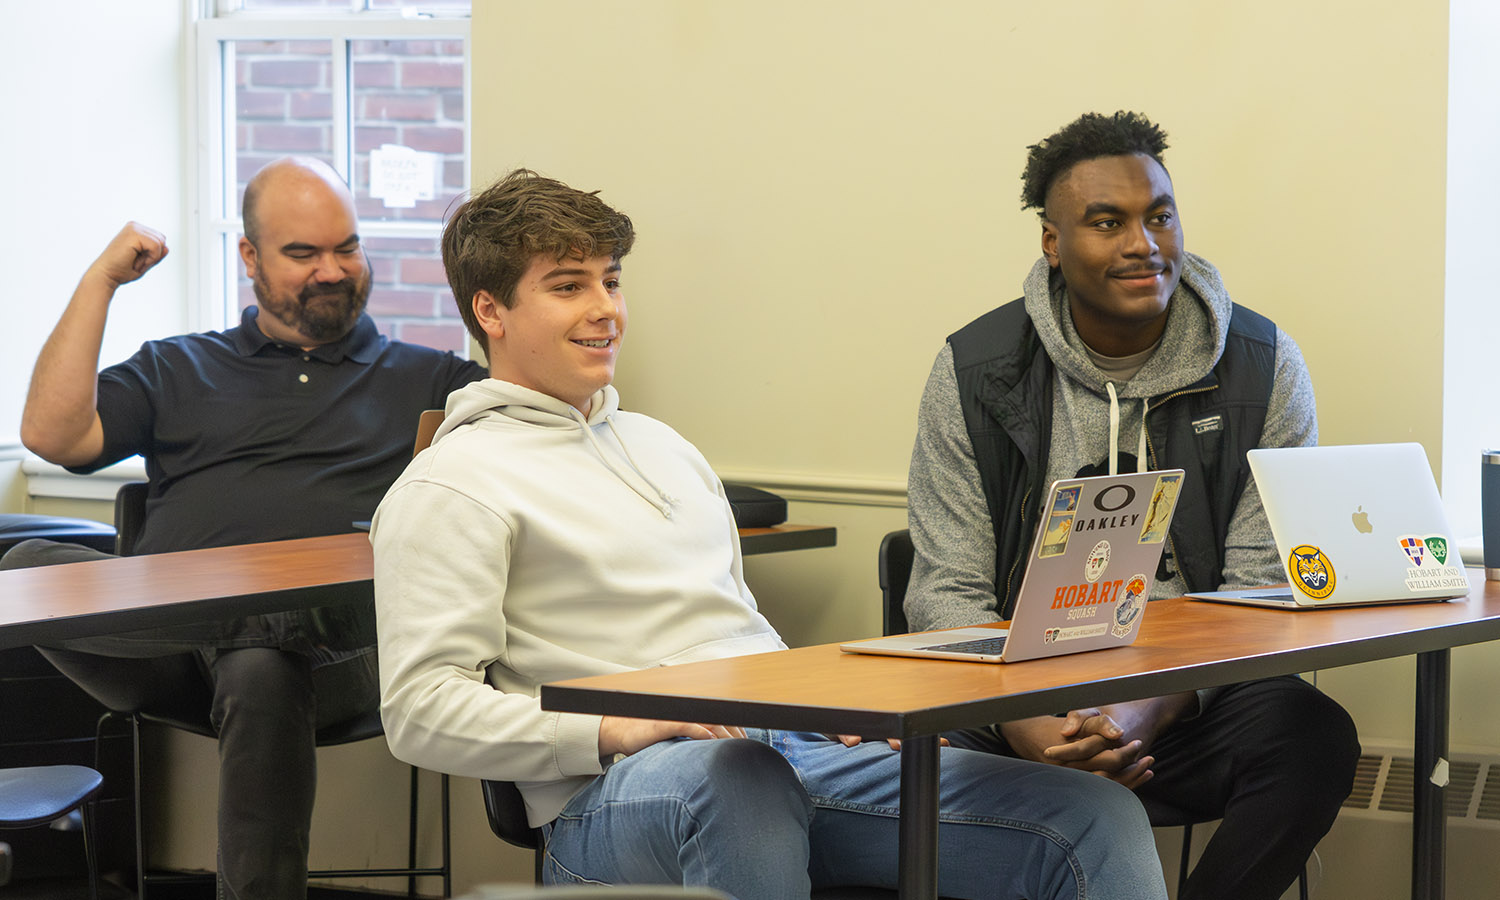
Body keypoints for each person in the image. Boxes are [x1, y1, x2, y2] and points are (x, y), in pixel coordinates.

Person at [371, 168, 1170, 900]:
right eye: (568, 286)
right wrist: (621, 726)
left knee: (1091, 813)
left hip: (786, 757)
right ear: (490, 311)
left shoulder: (664, 448)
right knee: (736, 776)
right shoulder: (453, 484)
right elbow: (419, 711)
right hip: (612, 799)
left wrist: (821, 704)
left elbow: (733, 629)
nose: (605, 308)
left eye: (611, 281)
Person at [904, 111, 1361, 900]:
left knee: (1309, 736)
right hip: (1013, 698)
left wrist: (1149, 708)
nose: (1142, 244)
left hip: (1184, 702)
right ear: (1052, 243)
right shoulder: (974, 370)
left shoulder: (1263, 366)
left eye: (1159, 216)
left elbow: (1255, 591)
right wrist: (1029, 717)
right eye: (1106, 223)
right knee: (896, 754)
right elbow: (946, 587)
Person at [2, 156, 485, 899]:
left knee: (263, 656)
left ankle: (250, 623)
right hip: (167, 654)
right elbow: (52, 434)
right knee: (26, 563)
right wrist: (101, 279)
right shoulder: (177, 367)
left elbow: (542, 439)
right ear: (250, 257)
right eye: (303, 253)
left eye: (347, 247)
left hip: (338, 660)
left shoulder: (432, 380)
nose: (333, 270)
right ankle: (243, 620)